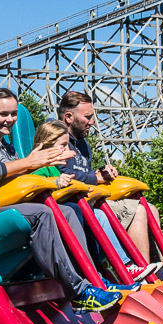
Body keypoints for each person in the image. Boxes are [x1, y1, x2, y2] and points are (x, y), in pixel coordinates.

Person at [0, 87, 121, 313]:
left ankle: (92, 279)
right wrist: (30, 163)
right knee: (40, 214)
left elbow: (3, 165)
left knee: (65, 211)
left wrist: (44, 162)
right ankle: (78, 291)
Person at [55, 90, 155, 278]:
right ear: (69, 117)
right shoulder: (56, 137)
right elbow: (62, 173)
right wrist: (96, 177)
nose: (92, 122)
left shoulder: (82, 144)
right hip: (76, 201)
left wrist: (103, 173)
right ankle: (138, 273)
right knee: (139, 211)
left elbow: (86, 173)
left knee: (150, 208)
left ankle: (159, 271)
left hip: (91, 196)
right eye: (88, 117)